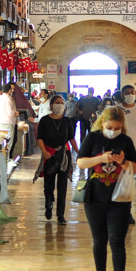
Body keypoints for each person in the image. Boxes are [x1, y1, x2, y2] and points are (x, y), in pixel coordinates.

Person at [77, 107, 136, 271]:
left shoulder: (126, 141)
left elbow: (135, 168)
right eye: (109, 126)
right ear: (102, 123)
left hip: (119, 198)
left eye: (117, 127)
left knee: (117, 240)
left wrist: (123, 163)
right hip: (94, 197)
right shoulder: (93, 138)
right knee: (99, 240)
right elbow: (81, 162)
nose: (113, 130)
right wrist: (100, 158)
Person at [36, 95, 80, 224]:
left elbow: (72, 139)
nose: (60, 105)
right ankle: (48, 204)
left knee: (62, 186)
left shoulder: (67, 121)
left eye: (62, 103)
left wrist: (79, 152)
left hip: (64, 156)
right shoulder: (44, 120)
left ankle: (61, 215)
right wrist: (44, 152)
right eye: (57, 102)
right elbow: (40, 138)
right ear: (51, 105)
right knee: (48, 185)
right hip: (49, 155)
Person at [0, 82, 19, 159]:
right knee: (8, 143)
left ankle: (3, 159)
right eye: (11, 89)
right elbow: (10, 113)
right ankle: (6, 159)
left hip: (1, 122)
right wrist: (15, 113)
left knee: (2, 142)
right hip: (8, 123)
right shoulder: (8, 100)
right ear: (9, 90)